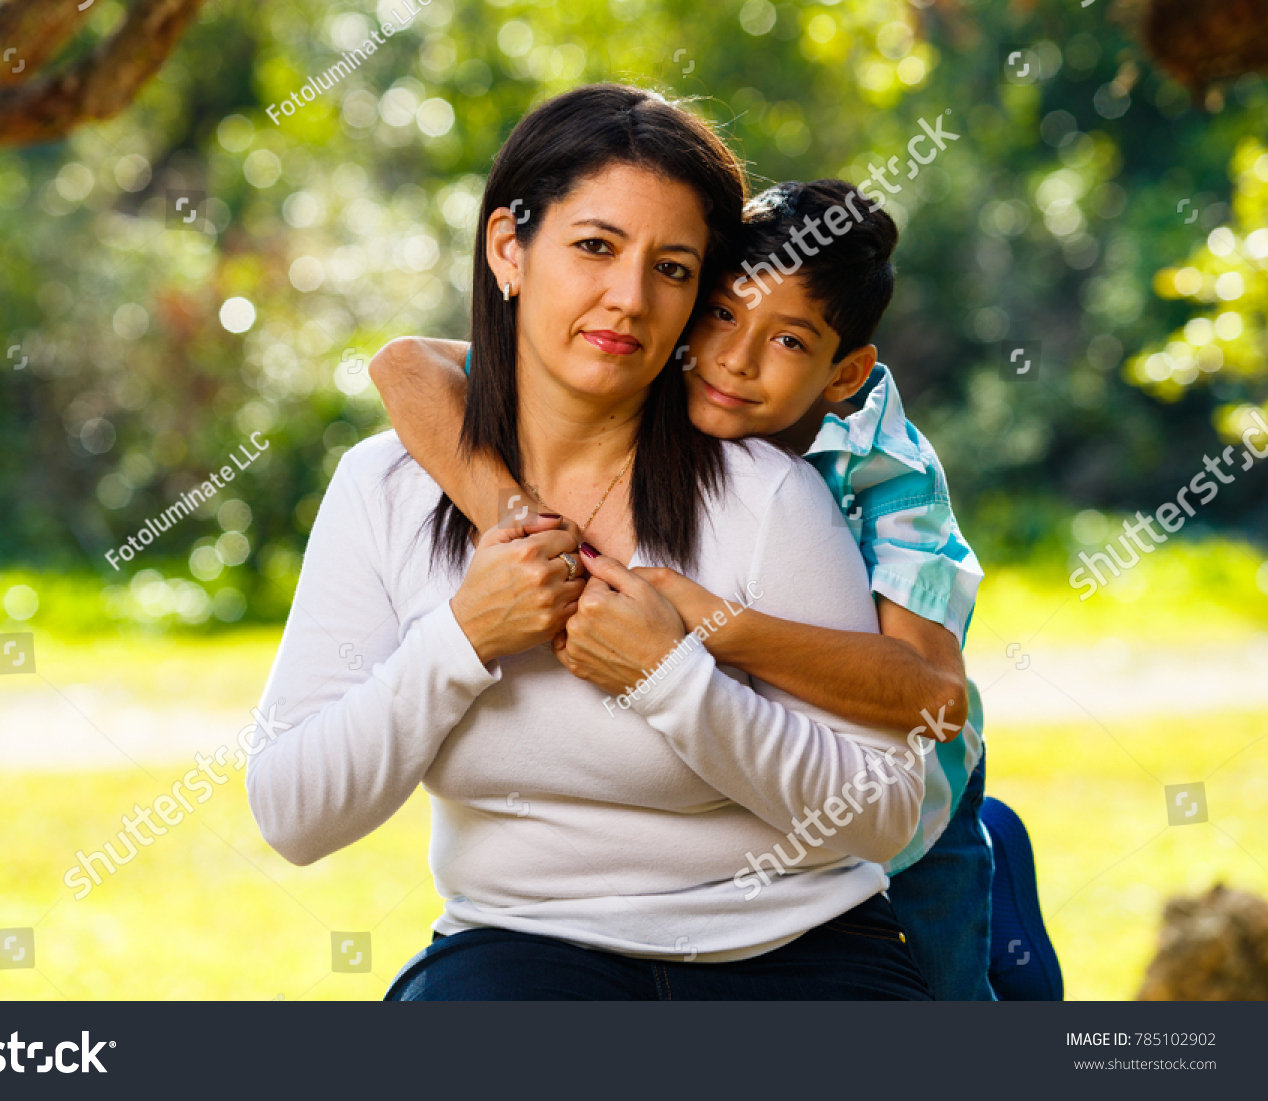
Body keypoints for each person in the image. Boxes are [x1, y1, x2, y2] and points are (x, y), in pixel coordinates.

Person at [247, 85, 930, 1000]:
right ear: (508, 249)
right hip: (523, 946)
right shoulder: (386, 489)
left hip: (794, 944)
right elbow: (293, 813)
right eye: (595, 246)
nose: (629, 298)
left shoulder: (767, 495)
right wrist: (460, 639)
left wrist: (675, 680)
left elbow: (884, 815)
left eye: (675, 268)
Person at [369, 178, 1040, 1000]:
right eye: (721, 314)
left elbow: (934, 695)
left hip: (915, 795)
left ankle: (1015, 937)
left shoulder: (885, 466)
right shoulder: (644, 372)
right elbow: (405, 363)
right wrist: (524, 531)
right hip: (770, 799)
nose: (735, 359)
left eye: (789, 342)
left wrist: (709, 625)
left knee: (949, 992)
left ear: (844, 371)